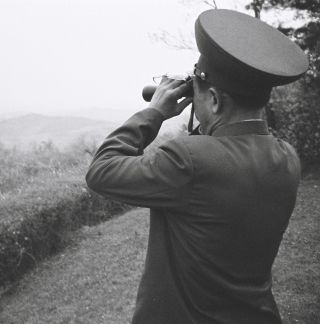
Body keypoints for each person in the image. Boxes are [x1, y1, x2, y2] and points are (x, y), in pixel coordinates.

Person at [85, 9, 309, 324]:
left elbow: (101, 170)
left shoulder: (188, 161)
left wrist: (155, 112)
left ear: (215, 100)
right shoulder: (287, 159)